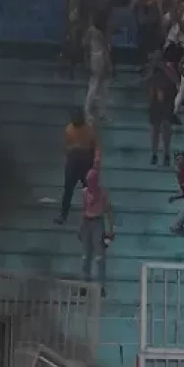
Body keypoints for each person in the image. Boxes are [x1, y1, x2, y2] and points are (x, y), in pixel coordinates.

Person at [56, 107, 97, 224]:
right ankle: (63, 215)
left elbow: (93, 147)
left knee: (88, 190)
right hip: (74, 162)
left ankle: (92, 215)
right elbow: (67, 147)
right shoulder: (69, 129)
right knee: (69, 190)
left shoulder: (88, 129)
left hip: (84, 162)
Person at [78, 161, 113, 293]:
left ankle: (101, 286)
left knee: (99, 258)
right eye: (89, 181)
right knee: (86, 257)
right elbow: (83, 210)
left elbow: (109, 211)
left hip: (98, 222)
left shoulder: (102, 193)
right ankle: (84, 285)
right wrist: (81, 228)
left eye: (93, 180)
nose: (90, 183)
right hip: (87, 222)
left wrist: (110, 229)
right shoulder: (84, 192)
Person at [148, 51, 178, 166]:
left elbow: (176, 80)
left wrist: (163, 67)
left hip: (167, 100)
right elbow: (145, 81)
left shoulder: (169, 67)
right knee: (155, 127)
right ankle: (154, 154)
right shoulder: (149, 68)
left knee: (166, 126)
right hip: (154, 99)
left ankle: (166, 154)